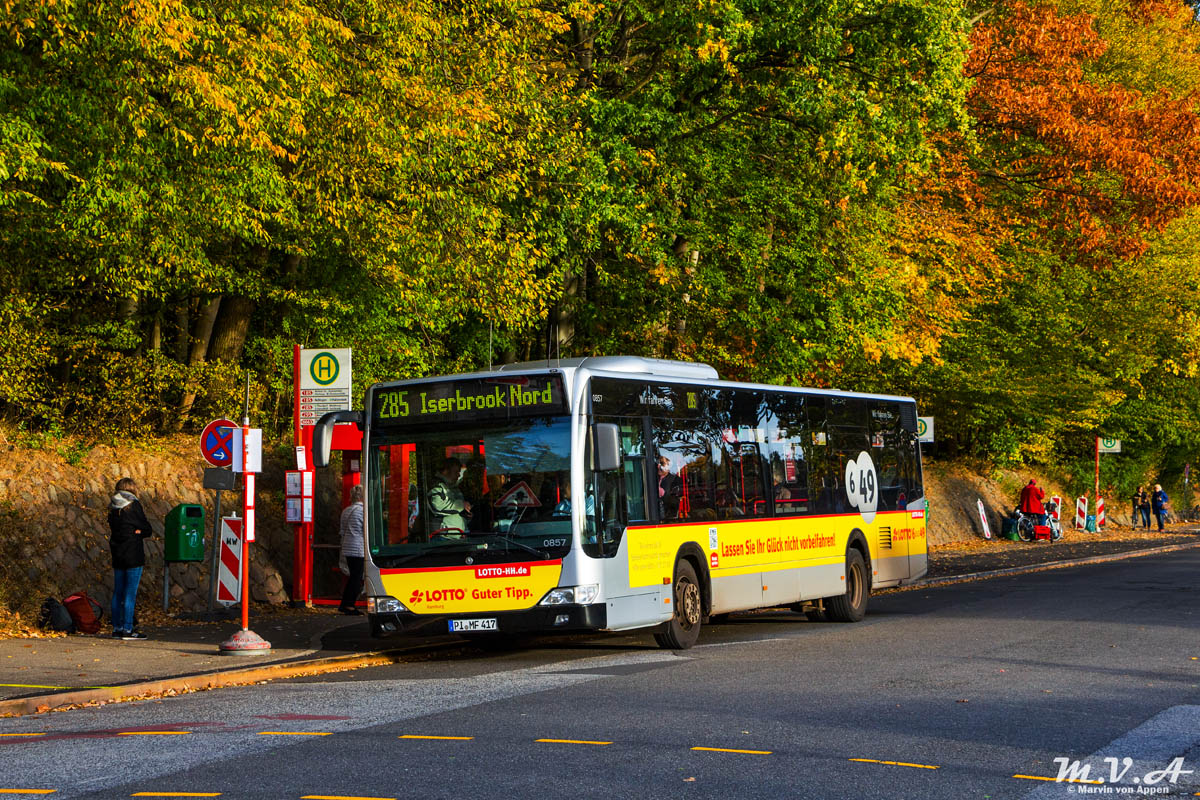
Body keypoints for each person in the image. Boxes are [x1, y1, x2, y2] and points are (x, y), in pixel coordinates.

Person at [107, 477, 154, 640]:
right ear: (132, 489)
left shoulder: (112, 507)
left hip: (117, 552)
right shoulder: (133, 505)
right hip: (133, 553)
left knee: (118, 592)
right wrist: (139, 531)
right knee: (130, 593)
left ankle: (117, 628)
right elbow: (147, 528)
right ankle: (128, 629)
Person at [338, 484, 365, 615]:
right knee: (356, 578)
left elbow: (342, 531)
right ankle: (349, 605)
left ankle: (345, 603)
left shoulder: (346, 511)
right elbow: (366, 531)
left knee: (353, 577)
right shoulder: (362, 511)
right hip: (358, 548)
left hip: (347, 548)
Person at [429, 457, 472, 533]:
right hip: (442, 536)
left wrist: (465, 514)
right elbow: (437, 506)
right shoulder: (436, 485)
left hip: (455, 535)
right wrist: (461, 505)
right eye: (456, 472)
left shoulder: (452, 487)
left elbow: (454, 511)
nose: (459, 475)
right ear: (445, 471)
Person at [657, 456, 682, 520]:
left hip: (667, 518)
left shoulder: (675, 480)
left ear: (669, 466)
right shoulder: (654, 477)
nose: (658, 466)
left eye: (662, 464)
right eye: (658, 463)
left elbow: (673, 501)